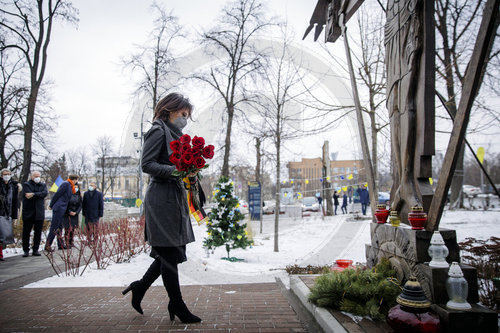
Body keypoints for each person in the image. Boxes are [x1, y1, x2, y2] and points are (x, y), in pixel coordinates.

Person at [122, 92, 201, 323]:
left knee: (171, 252)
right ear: (169, 110)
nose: (185, 118)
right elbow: (147, 164)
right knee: (169, 253)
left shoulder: (175, 135)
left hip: (173, 197)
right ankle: (177, 304)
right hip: (161, 199)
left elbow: (174, 165)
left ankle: (140, 287)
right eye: (183, 113)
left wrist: (190, 172)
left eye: (188, 115)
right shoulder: (158, 130)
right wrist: (176, 171)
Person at [46, 174, 78, 251]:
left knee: (60, 227)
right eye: (76, 180)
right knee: (54, 227)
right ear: (74, 180)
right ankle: (48, 245)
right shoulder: (66, 184)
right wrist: (51, 205)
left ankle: (60, 244)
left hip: (63, 208)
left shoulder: (70, 186)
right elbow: (57, 194)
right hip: (59, 207)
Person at [21, 171, 48, 257]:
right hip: (28, 212)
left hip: (39, 212)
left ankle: (35, 249)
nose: (37, 178)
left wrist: (33, 194)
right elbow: (27, 195)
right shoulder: (26, 185)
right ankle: (26, 250)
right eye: (36, 176)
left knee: (38, 232)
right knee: (26, 232)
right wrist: (38, 194)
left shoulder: (43, 185)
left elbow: (44, 193)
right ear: (31, 176)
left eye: (39, 176)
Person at [0, 169, 19, 261]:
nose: (7, 176)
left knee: (4, 235)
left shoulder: (13, 186)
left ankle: (0, 254)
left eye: (8, 174)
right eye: (5, 174)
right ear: (1, 175)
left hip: (7, 213)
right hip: (0, 211)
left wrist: (14, 215)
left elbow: (15, 201)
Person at [62, 182, 82, 247]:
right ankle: (66, 242)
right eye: (74, 187)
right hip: (67, 214)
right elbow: (66, 204)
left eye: (77, 187)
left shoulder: (79, 196)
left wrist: (76, 212)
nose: (76, 189)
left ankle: (71, 242)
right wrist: (69, 211)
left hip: (75, 214)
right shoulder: (68, 195)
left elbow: (80, 205)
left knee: (72, 229)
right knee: (67, 229)